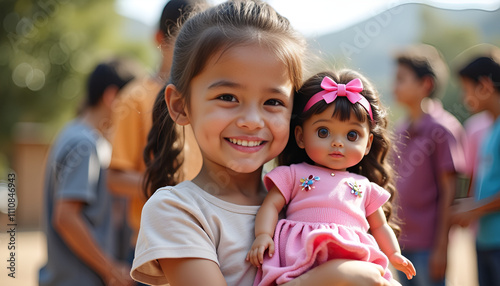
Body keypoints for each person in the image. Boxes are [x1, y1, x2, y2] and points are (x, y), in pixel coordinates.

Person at [131, 1, 394, 285]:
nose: (252, 120)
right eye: (228, 97)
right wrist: (330, 278)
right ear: (181, 105)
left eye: (273, 102)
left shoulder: (307, 198)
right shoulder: (177, 210)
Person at [246, 70, 416, 285]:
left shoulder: (365, 187)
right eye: (323, 132)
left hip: (352, 256)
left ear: (368, 144)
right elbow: (270, 206)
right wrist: (263, 235)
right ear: (300, 136)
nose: (338, 143)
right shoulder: (293, 174)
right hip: (302, 255)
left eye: (352, 135)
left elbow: (380, 226)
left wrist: (393, 254)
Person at [107, 0, 205, 264]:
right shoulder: (135, 98)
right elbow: (115, 178)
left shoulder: (212, 98)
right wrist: (173, 191)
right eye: (183, 41)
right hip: (154, 243)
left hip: (209, 239)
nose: (193, 52)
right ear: (158, 39)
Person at [39, 59, 139, 286]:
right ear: (112, 97)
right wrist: (111, 269)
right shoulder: (85, 145)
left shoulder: (71, 133)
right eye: (132, 103)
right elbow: (66, 217)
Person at [392, 44, 466, 286]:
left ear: (426, 84)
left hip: (429, 245)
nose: (395, 86)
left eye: (402, 79)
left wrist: (442, 248)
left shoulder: (442, 129)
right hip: (401, 242)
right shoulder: (400, 129)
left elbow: (449, 192)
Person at [451, 46, 500, 286]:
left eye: (466, 89)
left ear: (484, 86)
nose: (464, 97)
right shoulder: (489, 129)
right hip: (486, 240)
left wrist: (474, 210)